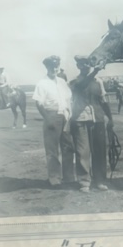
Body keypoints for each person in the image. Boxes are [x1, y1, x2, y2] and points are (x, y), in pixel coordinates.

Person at [70, 56, 114, 191]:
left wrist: (110, 118)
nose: (85, 67)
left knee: (99, 151)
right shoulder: (74, 82)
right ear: (78, 66)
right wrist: (95, 71)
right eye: (82, 64)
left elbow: (103, 101)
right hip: (81, 119)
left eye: (87, 64)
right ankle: (84, 182)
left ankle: (100, 180)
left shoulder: (98, 82)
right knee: (83, 152)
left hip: (98, 119)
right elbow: (82, 86)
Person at [32, 55, 73, 188]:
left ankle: (68, 177)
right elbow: (38, 103)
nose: (54, 69)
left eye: (56, 67)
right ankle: (54, 178)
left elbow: (67, 99)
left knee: (68, 147)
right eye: (51, 67)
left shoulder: (62, 81)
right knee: (52, 150)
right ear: (47, 67)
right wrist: (47, 118)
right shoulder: (42, 83)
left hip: (65, 115)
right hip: (52, 115)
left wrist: (70, 112)